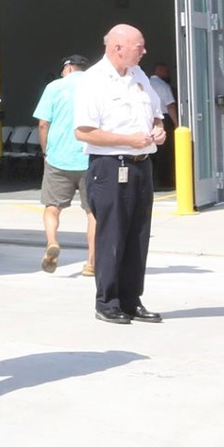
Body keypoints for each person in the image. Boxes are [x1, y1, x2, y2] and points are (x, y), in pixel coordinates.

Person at [74, 24, 167, 325]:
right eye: (139, 46)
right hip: (110, 166)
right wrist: (128, 141)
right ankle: (107, 302)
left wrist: (159, 129)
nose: (144, 51)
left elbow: (156, 114)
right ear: (118, 48)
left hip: (141, 164)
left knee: (138, 234)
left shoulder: (139, 76)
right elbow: (84, 132)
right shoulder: (93, 81)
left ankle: (131, 299)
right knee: (112, 235)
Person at [33, 54, 95, 275]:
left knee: (52, 207)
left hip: (58, 158)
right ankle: (91, 263)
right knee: (93, 212)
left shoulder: (54, 87)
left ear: (68, 67)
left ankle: (52, 242)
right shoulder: (95, 85)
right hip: (90, 158)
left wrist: (45, 152)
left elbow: (43, 124)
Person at [147, 62, 178, 189]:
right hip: (163, 120)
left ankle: (152, 180)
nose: (168, 74)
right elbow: (170, 106)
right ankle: (165, 182)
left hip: (148, 121)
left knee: (150, 152)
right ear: (159, 71)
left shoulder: (146, 83)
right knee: (165, 153)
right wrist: (177, 124)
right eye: (166, 71)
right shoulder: (163, 86)